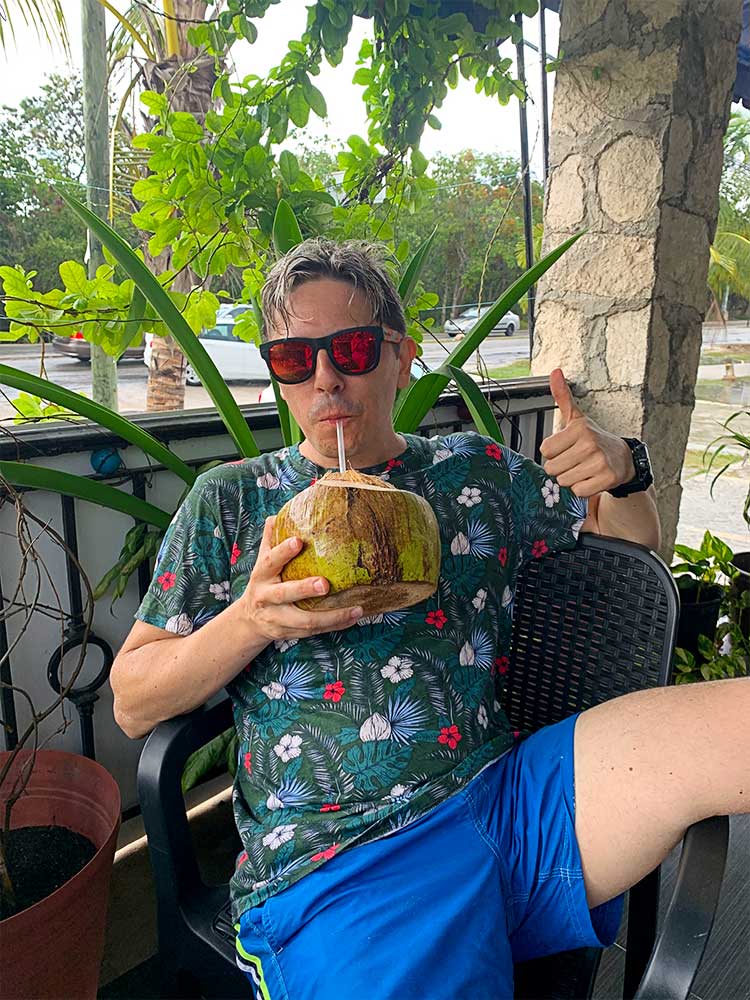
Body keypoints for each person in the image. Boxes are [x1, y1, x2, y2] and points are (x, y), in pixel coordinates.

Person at [111, 239, 749, 1000]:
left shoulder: (475, 471)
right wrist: (250, 620)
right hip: (347, 858)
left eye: (349, 348)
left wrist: (625, 470)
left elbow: (630, 547)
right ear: (276, 374)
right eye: (293, 358)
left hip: (510, 797)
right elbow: (131, 700)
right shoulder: (233, 501)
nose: (326, 379)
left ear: (399, 356)